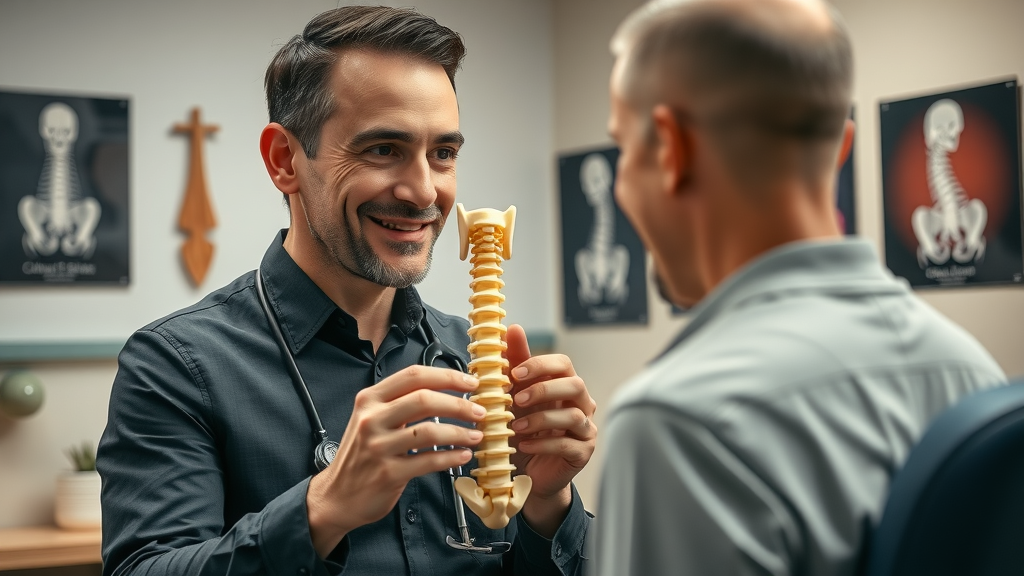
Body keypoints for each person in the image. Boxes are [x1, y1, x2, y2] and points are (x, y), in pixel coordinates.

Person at [97, 6, 596, 576]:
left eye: (443, 153)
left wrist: (548, 504)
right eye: (382, 149)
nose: (422, 192)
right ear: (285, 160)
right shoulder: (176, 367)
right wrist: (322, 508)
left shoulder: (482, 367)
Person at [593, 0, 1007, 575]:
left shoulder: (678, 422)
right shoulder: (973, 374)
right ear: (842, 148)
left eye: (625, 150)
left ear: (670, 150)